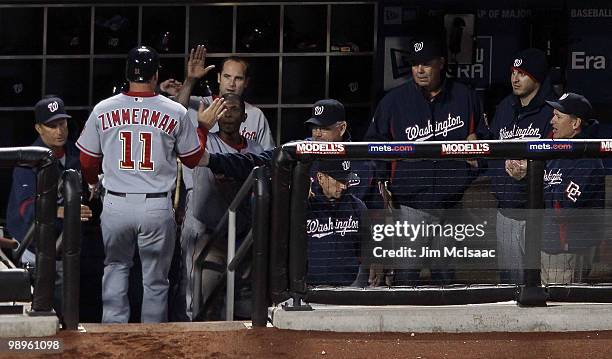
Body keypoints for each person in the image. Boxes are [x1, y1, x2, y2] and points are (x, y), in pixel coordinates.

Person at [76, 46, 204, 323]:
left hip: (115, 202)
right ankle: (152, 345)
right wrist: (202, 128)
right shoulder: (175, 111)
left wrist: (91, 183)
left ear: (127, 73)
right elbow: (193, 159)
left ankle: (113, 340)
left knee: (116, 269)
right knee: (155, 282)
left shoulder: (103, 109)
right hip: (156, 205)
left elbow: (86, 160)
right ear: (156, 74)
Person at [363, 31, 485, 285]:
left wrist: (472, 167)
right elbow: (373, 146)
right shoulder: (394, 102)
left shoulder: (465, 97)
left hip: (451, 205)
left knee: (446, 278)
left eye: (426, 63)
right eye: (415, 64)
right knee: (406, 277)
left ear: (440, 63)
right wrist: (383, 183)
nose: (419, 70)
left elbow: (485, 144)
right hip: (409, 206)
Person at [6, 95, 92, 316]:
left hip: (64, 248)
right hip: (32, 251)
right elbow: (26, 208)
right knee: (42, 313)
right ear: (38, 128)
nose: (59, 131)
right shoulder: (28, 160)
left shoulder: (75, 154)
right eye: (51, 125)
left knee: (65, 313)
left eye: (61, 123)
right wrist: (65, 211)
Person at [180, 93, 263, 320]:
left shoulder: (256, 149)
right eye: (223, 108)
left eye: (234, 109)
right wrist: (203, 128)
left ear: (245, 116)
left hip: (244, 240)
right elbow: (191, 153)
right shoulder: (205, 143)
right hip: (210, 236)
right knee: (201, 305)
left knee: (244, 309)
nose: (227, 114)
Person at [483, 48, 556, 283]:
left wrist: (531, 171)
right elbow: (492, 151)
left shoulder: (552, 112)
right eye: (513, 72)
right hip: (506, 212)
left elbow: (561, 162)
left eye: (522, 73)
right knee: (509, 282)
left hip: (537, 213)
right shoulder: (505, 107)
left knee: (543, 282)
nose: (515, 78)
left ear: (537, 77)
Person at [540, 92, 604, 285]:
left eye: (558, 117)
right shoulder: (558, 152)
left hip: (568, 250)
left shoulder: (588, 162)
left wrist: (537, 185)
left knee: (562, 307)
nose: (552, 121)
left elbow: (562, 208)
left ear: (575, 124)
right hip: (550, 247)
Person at [177, 45, 275, 150]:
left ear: (246, 82)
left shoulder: (256, 115)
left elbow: (268, 155)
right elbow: (176, 110)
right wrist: (190, 80)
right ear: (219, 78)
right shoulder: (199, 104)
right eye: (227, 77)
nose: (232, 83)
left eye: (238, 78)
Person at [307, 160, 367, 286]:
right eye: (338, 180)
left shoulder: (356, 206)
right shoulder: (307, 206)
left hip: (349, 290)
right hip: (309, 291)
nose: (343, 186)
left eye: (345, 180)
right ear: (320, 177)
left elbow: (370, 247)